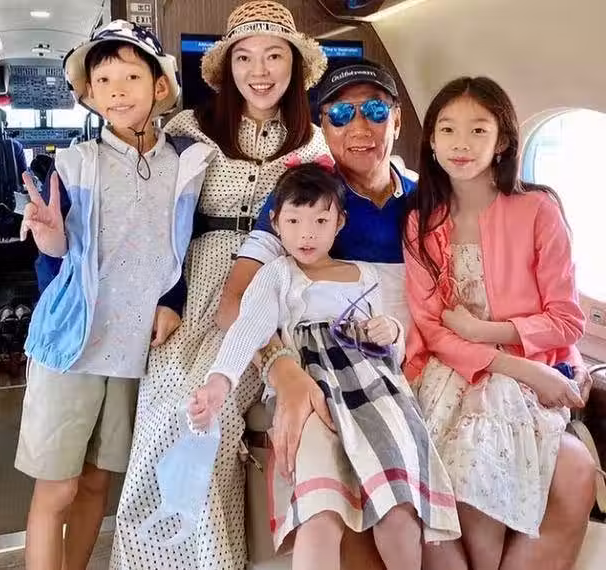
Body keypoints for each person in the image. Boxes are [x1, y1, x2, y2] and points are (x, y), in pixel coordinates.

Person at [221, 63, 597, 569]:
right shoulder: (307, 199)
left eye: (376, 111)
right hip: (376, 372)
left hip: (427, 361)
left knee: (573, 471)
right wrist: (284, 372)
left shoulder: (427, 198)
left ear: (398, 120)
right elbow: (235, 304)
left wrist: (567, 360)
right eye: (341, 114)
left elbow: (556, 307)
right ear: (322, 125)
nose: (360, 126)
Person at [110, 3, 329, 569]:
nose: (260, 71)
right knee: (165, 415)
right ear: (227, 68)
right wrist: (166, 298)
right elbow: (156, 220)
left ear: (295, 66)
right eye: (245, 58)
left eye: (274, 56)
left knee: (215, 416)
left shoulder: (314, 145)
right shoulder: (188, 130)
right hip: (195, 285)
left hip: (271, 292)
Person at [14, 20, 214, 570]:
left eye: (131, 76)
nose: (118, 91)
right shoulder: (75, 163)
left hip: (133, 352)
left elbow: (188, 246)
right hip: (71, 347)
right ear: (89, 93)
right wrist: (51, 240)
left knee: (98, 484)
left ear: (159, 85)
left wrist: (173, 300)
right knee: (57, 488)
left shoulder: (188, 163)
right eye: (103, 80)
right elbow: (58, 260)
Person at [190, 163, 460, 570]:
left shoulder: (366, 275)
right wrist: (218, 382)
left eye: (320, 221)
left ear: (340, 223)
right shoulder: (277, 276)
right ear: (275, 223)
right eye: (294, 221)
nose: (307, 234)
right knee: (320, 511)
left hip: (375, 389)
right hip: (313, 390)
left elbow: (398, 339)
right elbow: (247, 330)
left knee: (398, 508)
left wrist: (391, 331)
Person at [403, 76, 597, 570]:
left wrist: (488, 333)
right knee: (466, 459)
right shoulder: (422, 221)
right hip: (453, 369)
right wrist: (502, 361)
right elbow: (432, 328)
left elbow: (567, 320)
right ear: (431, 141)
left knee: (484, 451)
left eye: (478, 130)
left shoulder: (538, 210)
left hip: (530, 368)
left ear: (503, 141)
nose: (461, 144)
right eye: (447, 130)